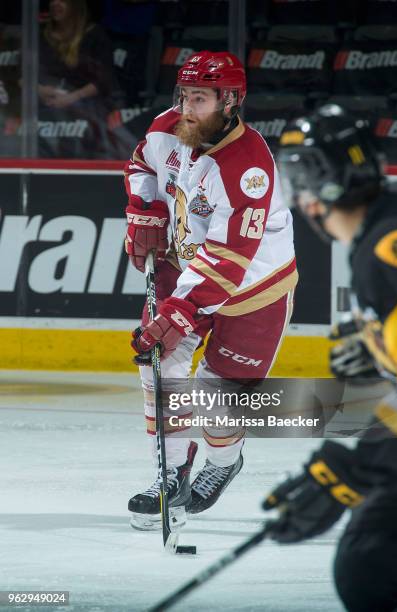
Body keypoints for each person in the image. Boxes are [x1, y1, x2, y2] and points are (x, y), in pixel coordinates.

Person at [124, 51, 297, 530]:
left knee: (216, 398)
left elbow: (228, 260)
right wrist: (146, 211)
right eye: (183, 94)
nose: (186, 106)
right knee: (162, 368)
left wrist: (177, 312)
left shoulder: (247, 167)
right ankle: (172, 474)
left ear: (231, 101)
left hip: (253, 288)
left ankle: (224, 462)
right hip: (186, 269)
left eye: (199, 98)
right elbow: (142, 162)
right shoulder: (167, 128)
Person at [263, 104, 397, 612]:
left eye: (296, 181)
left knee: (371, 565)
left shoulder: (386, 250)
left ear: (317, 186)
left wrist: (355, 467)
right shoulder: (388, 229)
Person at [38, 0, 115, 157]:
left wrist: (72, 97)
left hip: (85, 104)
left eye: (63, 0)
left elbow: (103, 80)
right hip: (45, 103)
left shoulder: (94, 35)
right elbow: (20, 75)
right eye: (52, 0)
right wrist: (38, 89)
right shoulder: (40, 34)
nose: (55, 4)